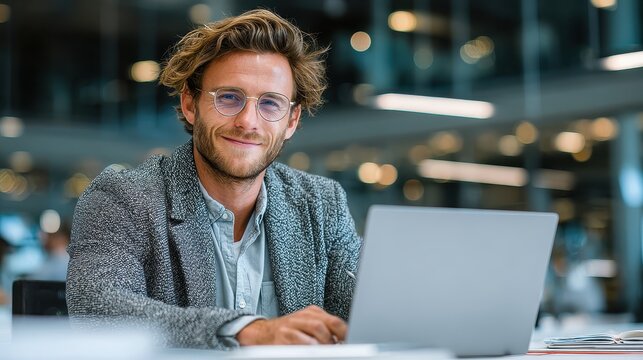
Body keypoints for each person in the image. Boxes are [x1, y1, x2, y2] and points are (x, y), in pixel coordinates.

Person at [66, 9, 361, 349]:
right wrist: (245, 330)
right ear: (190, 104)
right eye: (229, 98)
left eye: (270, 103)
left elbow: (367, 312)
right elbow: (99, 312)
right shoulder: (122, 199)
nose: (248, 122)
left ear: (292, 120)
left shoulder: (321, 204)